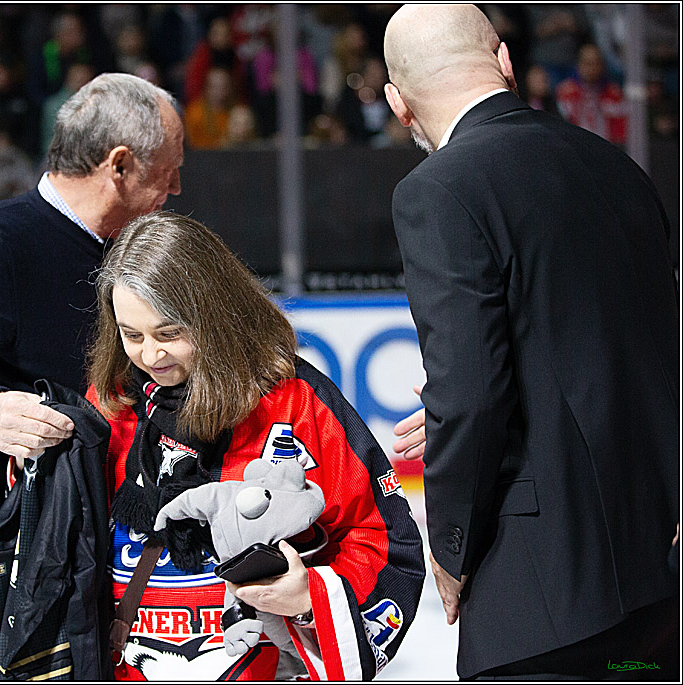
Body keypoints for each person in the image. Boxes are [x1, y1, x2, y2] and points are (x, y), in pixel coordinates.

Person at [383, 4, 679, 680]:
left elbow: (472, 395)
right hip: (659, 579)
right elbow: (625, 346)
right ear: (506, 60)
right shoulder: (618, 166)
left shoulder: (436, 190)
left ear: (398, 105)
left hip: (544, 594)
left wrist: (452, 548)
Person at [0, 72, 183, 680]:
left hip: (66, 567)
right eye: (168, 169)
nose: (176, 188)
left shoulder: (133, 250)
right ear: (120, 165)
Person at [86, 211, 425, 680]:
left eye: (169, 333)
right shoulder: (110, 403)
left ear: (214, 316)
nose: (150, 354)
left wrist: (310, 600)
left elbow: (385, 540)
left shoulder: (295, 403)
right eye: (131, 335)